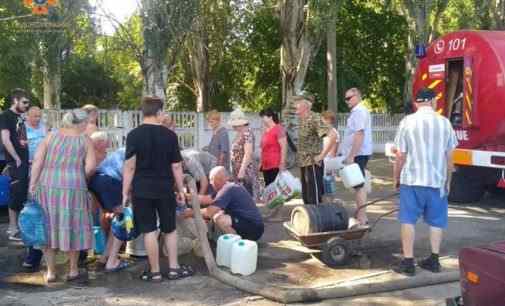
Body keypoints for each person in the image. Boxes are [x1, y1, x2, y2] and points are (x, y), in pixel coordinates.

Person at [122, 96, 192, 282]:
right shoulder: (170, 136)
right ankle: (174, 268)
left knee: (149, 230)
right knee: (170, 229)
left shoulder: (133, 135)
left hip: (142, 190)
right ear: (159, 112)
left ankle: (154, 272)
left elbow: (129, 167)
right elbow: (176, 167)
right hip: (164, 189)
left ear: (143, 112)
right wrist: (181, 191)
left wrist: (124, 192)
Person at [392, 88, 458, 277]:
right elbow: (449, 158)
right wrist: (448, 182)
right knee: (437, 221)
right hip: (436, 182)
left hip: (412, 180)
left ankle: (408, 262)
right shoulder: (444, 123)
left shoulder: (407, 122)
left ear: (417, 103)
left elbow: (400, 156)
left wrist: (396, 178)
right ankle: (434, 260)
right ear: (432, 101)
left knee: (408, 220)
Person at [28, 109, 96, 283]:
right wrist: (80, 176)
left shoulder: (50, 136)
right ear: (80, 123)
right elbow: (90, 167)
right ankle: (73, 270)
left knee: (47, 227)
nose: (87, 126)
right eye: (86, 123)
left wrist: (32, 186)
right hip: (74, 186)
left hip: (48, 185)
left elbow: (37, 162)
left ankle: (51, 272)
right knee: (74, 226)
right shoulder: (85, 141)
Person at [185, 166, 264, 241]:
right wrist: (185, 196)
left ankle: (236, 244)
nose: (210, 183)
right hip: (250, 225)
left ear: (219, 179)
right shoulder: (227, 187)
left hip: (253, 228)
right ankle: (233, 240)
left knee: (220, 219)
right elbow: (206, 199)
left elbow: (209, 212)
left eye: (211, 180)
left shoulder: (228, 189)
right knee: (218, 214)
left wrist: (188, 213)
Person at [88, 132, 128, 272]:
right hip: (109, 182)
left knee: (117, 219)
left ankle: (105, 256)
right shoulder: (131, 152)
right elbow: (127, 174)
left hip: (96, 182)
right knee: (124, 219)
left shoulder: (120, 151)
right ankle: (112, 261)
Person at [294, 92, 338, 205]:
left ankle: (317, 221)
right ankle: (309, 220)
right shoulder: (302, 119)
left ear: (305, 105)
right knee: (306, 198)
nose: (295, 105)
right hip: (304, 164)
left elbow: (333, 135)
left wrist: (321, 156)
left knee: (314, 198)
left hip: (312, 164)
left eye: (297, 103)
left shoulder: (315, 118)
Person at [339, 88, 373, 225]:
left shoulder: (359, 112)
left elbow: (359, 134)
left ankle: (362, 217)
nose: (346, 101)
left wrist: (352, 155)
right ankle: (362, 215)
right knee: (359, 185)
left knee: (358, 186)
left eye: (349, 98)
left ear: (358, 96)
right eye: (345, 98)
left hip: (358, 154)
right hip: (359, 153)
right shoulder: (358, 111)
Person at [0, 89, 30, 243]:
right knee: (15, 192)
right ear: (15, 100)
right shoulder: (6, 115)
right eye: (24, 102)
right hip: (16, 161)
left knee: (21, 193)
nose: (26, 105)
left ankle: (18, 227)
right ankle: (12, 229)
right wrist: (16, 158)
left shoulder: (21, 117)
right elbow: (5, 139)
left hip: (24, 160)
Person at [228, 109, 259, 199]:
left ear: (240, 123)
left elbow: (248, 153)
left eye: (235, 124)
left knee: (247, 197)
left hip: (245, 173)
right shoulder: (239, 133)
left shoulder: (247, 134)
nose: (233, 126)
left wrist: (241, 171)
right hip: (238, 172)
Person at [259, 108, 287, 186]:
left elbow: (284, 147)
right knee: (268, 188)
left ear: (270, 117)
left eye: (263, 117)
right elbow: (263, 147)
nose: (262, 119)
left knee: (275, 189)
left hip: (275, 164)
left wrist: (282, 163)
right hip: (265, 165)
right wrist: (261, 163)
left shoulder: (279, 128)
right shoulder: (265, 130)